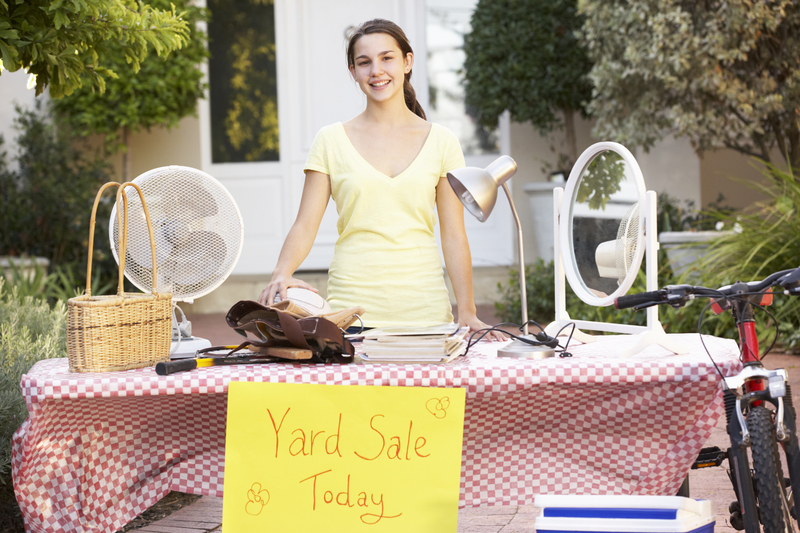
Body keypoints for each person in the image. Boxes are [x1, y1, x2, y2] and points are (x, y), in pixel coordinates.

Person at [258, 18, 504, 340]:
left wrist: (468, 311)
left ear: (407, 62)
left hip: (426, 317)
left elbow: (454, 235)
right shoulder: (330, 140)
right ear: (353, 72)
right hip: (350, 317)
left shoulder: (442, 141)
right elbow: (305, 224)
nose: (376, 70)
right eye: (365, 62)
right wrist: (282, 273)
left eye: (387, 58)